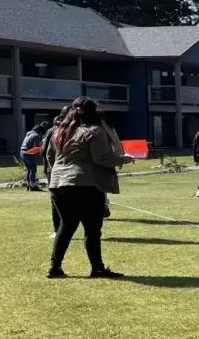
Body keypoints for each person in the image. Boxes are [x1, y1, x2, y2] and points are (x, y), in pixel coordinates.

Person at [45, 96, 134, 279]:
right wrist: (125, 158)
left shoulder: (59, 131)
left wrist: (59, 172)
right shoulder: (94, 131)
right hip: (86, 184)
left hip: (58, 184)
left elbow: (49, 157)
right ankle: (97, 268)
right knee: (92, 229)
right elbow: (102, 158)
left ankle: (55, 267)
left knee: (66, 226)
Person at [43, 105, 70, 235]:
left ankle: (61, 229)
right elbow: (46, 152)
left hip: (59, 170)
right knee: (57, 200)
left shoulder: (72, 130)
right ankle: (57, 229)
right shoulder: (54, 130)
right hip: (54, 170)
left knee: (60, 200)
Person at [20, 121, 50, 190]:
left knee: (29, 169)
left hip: (22, 152)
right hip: (28, 153)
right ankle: (33, 186)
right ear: (40, 131)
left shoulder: (28, 134)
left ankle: (28, 185)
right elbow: (36, 147)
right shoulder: (36, 135)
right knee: (33, 169)